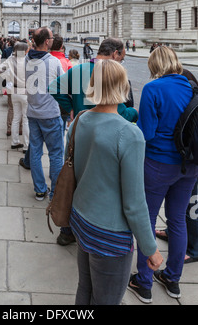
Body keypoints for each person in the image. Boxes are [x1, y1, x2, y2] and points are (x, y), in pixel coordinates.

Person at [68, 59, 163, 305]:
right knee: (107, 299)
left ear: (93, 85)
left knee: (85, 288)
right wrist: (150, 248)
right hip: (109, 234)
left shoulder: (79, 120)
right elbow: (134, 202)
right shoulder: (129, 134)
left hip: (81, 219)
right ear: (123, 86)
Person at [48, 37, 138, 246]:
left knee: (73, 178)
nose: (121, 62)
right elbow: (121, 111)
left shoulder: (79, 70)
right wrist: (134, 113)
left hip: (80, 132)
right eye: (122, 58)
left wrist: (71, 107)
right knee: (98, 184)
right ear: (115, 54)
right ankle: (91, 230)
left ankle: (67, 230)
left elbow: (54, 87)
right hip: (107, 138)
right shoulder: (112, 74)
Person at [129, 46, 198, 303]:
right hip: (190, 166)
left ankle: (144, 282)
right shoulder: (193, 87)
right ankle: (172, 279)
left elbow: (145, 133)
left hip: (158, 164)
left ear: (154, 65)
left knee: (146, 220)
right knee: (177, 220)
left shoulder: (153, 89)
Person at [155, 68, 198, 264]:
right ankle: (173, 274)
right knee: (179, 213)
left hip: (186, 161)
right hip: (189, 161)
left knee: (191, 207)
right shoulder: (192, 92)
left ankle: (194, 248)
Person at [24, 27, 64, 201]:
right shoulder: (54, 62)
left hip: (33, 113)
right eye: (51, 37)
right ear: (47, 41)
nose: (52, 39)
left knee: (35, 152)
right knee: (56, 154)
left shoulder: (26, 59)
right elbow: (65, 85)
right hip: (50, 115)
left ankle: (40, 189)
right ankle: (55, 192)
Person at [0, 41, 29, 152]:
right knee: (25, 119)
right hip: (25, 92)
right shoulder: (28, 61)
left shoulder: (11, 60)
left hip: (14, 91)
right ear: (24, 50)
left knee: (16, 118)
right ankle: (26, 146)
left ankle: (14, 142)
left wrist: (7, 77)